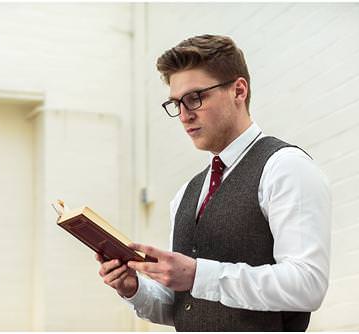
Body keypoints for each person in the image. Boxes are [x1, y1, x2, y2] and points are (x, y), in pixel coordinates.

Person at [96, 34, 332, 331]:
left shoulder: (286, 167)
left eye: (195, 98)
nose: (183, 115)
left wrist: (198, 275)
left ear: (239, 90)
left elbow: (307, 285)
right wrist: (133, 288)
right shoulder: (185, 194)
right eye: (176, 104)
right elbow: (181, 308)